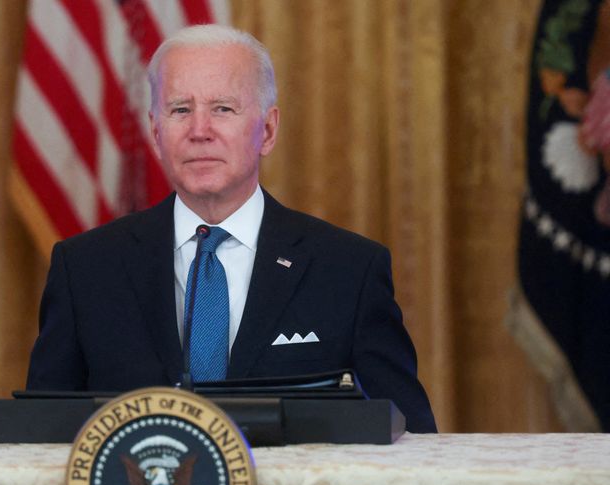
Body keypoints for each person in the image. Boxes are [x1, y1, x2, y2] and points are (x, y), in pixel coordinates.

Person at [26, 24, 437, 433]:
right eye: (180, 110)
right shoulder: (84, 268)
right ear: (155, 131)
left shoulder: (349, 270)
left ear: (268, 130)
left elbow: (409, 440)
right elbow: (38, 439)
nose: (200, 131)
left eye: (223, 108)